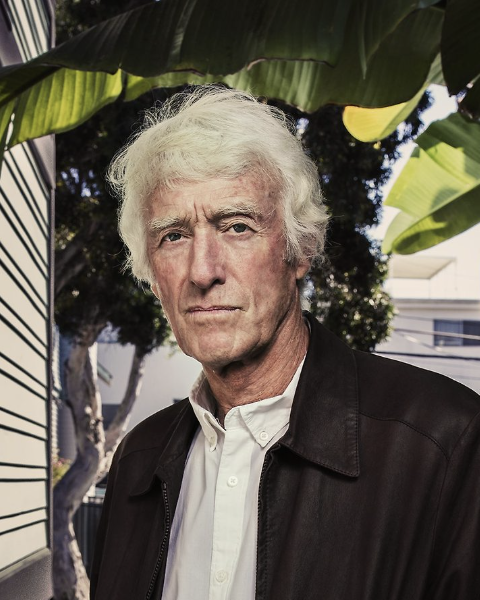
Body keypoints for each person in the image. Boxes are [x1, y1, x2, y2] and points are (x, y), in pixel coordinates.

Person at [91, 86, 480, 600]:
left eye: (237, 226)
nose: (202, 271)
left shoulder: (445, 441)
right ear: (151, 272)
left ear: (300, 250)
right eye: (173, 236)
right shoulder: (136, 461)